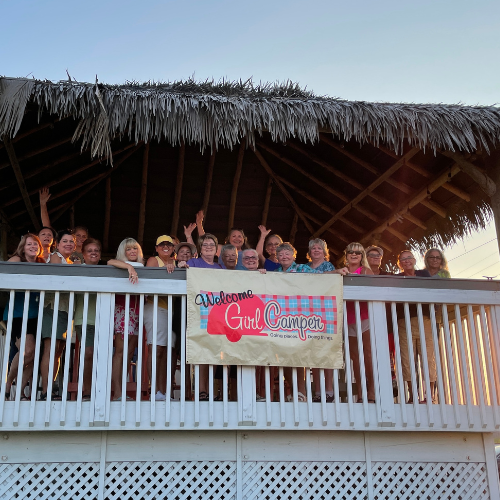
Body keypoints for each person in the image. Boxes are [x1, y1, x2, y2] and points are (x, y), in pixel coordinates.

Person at [179, 233, 222, 401]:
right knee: (202, 351)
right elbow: (184, 274)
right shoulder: (194, 262)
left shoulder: (220, 267)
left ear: (216, 248)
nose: (209, 247)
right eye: (205, 245)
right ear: (200, 248)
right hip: (198, 312)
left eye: (212, 244)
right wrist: (182, 265)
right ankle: (202, 390)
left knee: (212, 352)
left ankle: (212, 390)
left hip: (216, 314)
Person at [3, 234, 44, 401]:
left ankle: (20, 392)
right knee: (27, 350)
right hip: (18, 313)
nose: (33, 246)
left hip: (36, 314)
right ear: (23, 247)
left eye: (36, 244)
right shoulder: (17, 260)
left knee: (32, 354)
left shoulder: (43, 264)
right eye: (29, 244)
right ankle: (7, 384)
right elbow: (5, 273)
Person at [40, 230, 78, 400]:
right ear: (58, 244)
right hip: (53, 307)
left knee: (58, 351)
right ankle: (46, 390)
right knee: (51, 349)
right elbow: (60, 278)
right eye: (65, 241)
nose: (69, 244)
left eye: (71, 241)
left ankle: (51, 388)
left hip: (66, 310)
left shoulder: (71, 262)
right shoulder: (56, 257)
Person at [395, 250, 436, 403]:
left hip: (424, 320)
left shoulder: (424, 275)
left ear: (414, 260)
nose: (406, 261)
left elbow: (433, 291)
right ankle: (413, 395)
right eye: (403, 259)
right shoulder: (397, 278)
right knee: (407, 359)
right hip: (404, 322)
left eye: (409, 258)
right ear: (400, 263)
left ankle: (429, 395)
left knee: (428, 357)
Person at [108, 238, 144, 400]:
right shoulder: (119, 264)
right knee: (120, 352)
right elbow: (109, 261)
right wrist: (129, 267)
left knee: (129, 353)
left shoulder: (142, 266)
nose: (132, 252)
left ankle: (122, 390)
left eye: (135, 249)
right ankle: (117, 392)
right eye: (129, 249)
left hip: (137, 312)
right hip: (123, 310)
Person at [144, 235, 176, 401]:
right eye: (162, 245)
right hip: (155, 307)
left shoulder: (175, 263)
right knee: (156, 349)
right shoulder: (153, 260)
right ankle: (154, 390)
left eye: (169, 245)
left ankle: (163, 392)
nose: (165, 247)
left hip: (170, 311)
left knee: (165, 352)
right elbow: (151, 282)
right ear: (156, 248)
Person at [344, 242, 375, 403]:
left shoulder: (365, 270)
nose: (354, 254)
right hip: (349, 317)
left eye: (357, 252)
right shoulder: (342, 271)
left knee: (368, 353)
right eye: (350, 252)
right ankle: (361, 392)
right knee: (355, 357)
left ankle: (372, 391)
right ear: (347, 255)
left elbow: (372, 290)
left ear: (362, 256)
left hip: (364, 315)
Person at [74, 238, 102, 400]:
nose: (93, 253)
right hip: (84, 319)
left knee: (102, 356)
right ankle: (87, 390)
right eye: (89, 250)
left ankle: (100, 390)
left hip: (104, 320)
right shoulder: (78, 269)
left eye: (96, 250)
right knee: (88, 354)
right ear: (83, 254)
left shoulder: (106, 271)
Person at [39, 187, 87, 262]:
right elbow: (47, 228)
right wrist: (43, 205)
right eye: (78, 235)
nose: (81, 238)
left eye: (84, 236)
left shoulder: (87, 254)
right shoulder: (58, 254)